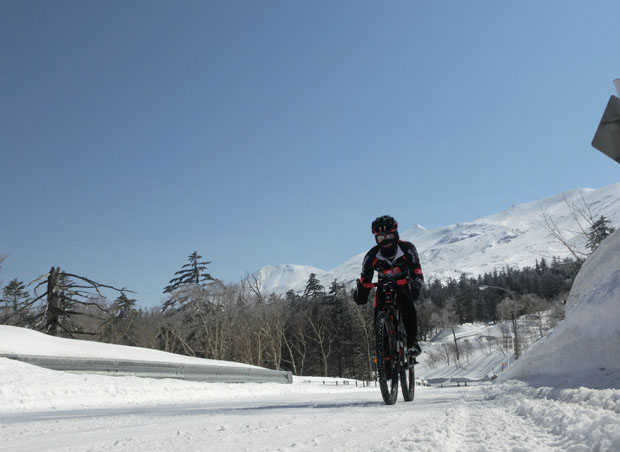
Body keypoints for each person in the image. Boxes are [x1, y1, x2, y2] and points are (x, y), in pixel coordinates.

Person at [353, 215, 423, 358]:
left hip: (403, 284)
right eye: (381, 238)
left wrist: (416, 283)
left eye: (389, 236)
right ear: (376, 239)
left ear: (395, 234)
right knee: (378, 308)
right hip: (383, 287)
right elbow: (365, 278)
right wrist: (361, 293)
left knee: (407, 303)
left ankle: (412, 343)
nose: (385, 241)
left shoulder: (407, 249)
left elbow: (417, 271)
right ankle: (384, 357)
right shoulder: (371, 256)